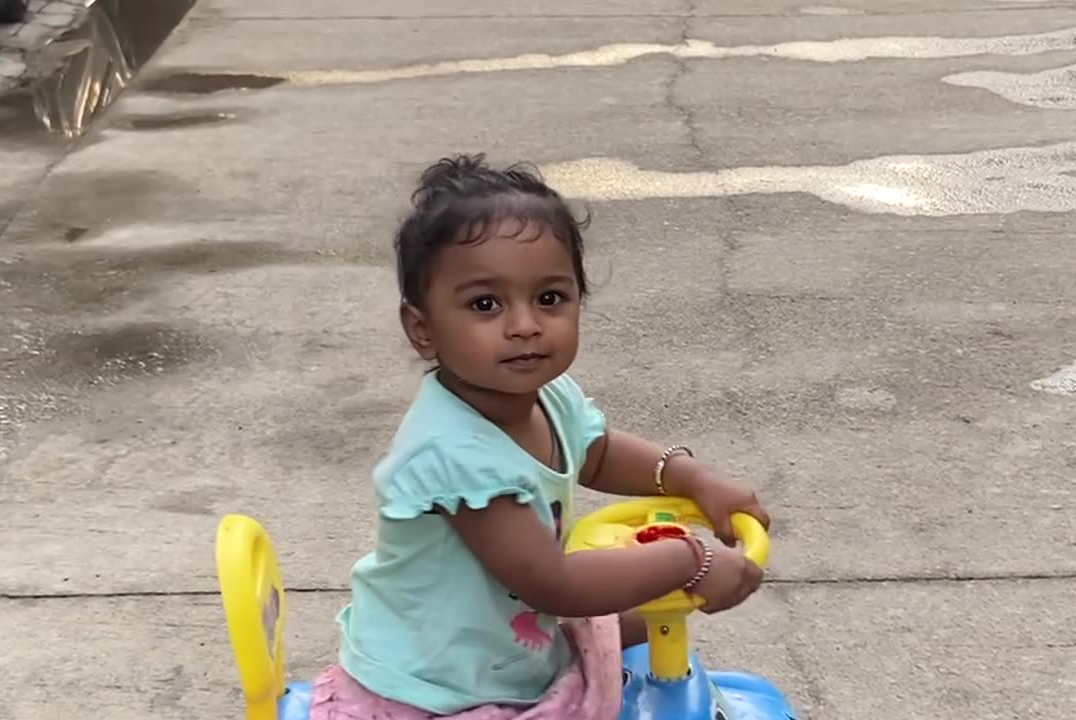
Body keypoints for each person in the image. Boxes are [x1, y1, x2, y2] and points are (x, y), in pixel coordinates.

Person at [311, 154, 771, 720]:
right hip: (441, 686)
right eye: (486, 304)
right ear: (422, 329)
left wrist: (691, 477)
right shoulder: (455, 453)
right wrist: (689, 561)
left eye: (549, 298)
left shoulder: (546, 396)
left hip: (504, 642)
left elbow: (597, 453)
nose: (525, 324)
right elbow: (554, 585)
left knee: (642, 619)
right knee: (634, 607)